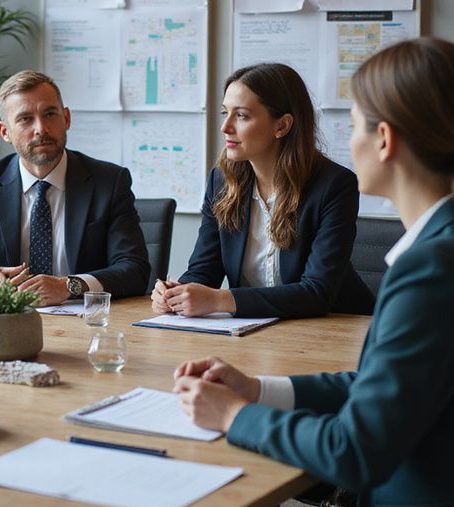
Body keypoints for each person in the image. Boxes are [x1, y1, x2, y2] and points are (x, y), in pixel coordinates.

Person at [123, 37, 454, 507]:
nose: (345, 137)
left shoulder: (431, 268)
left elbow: (356, 454)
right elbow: (378, 388)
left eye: (355, 122)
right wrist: (260, 388)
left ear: (387, 139)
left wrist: (236, 416)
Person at [153, 61, 373, 320]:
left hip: (337, 330)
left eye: (242, 115)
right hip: (256, 331)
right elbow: (204, 270)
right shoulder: (221, 182)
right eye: (226, 113)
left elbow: (316, 292)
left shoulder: (334, 186)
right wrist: (177, 294)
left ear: (282, 126)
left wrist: (221, 299)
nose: (225, 127)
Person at [0, 69, 150, 306]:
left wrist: (69, 286)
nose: (40, 128)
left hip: (84, 323)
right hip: (9, 325)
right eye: (25, 119)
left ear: (67, 119)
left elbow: (135, 269)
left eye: (50, 114)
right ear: (5, 132)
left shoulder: (109, 182)